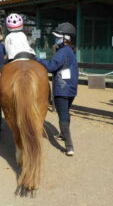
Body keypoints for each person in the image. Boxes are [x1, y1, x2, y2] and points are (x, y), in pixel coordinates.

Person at [37, 22, 78, 156]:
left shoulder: (63, 51)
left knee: (63, 116)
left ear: (66, 38)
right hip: (71, 89)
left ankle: (69, 146)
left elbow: (51, 66)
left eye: (59, 36)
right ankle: (63, 135)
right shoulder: (70, 51)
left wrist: (37, 60)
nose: (56, 39)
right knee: (66, 112)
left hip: (62, 89)